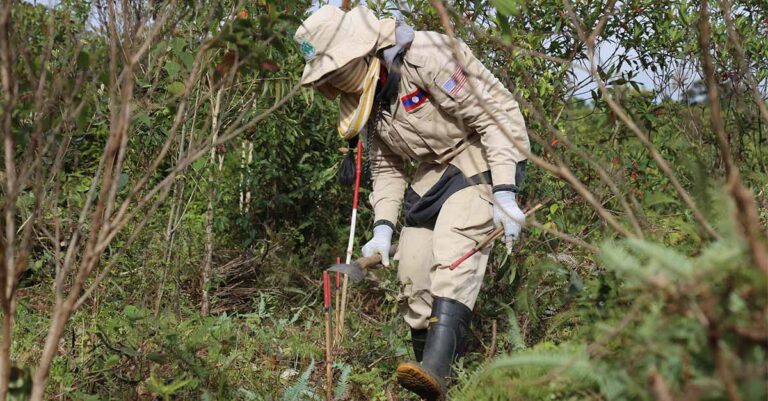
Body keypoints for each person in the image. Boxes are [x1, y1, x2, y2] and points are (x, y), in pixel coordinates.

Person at [295, 5, 530, 400]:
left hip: (483, 151)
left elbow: (493, 118)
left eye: (333, 72)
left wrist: (505, 192)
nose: (333, 84)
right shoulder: (365, 100)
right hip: (432, 169)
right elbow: (386, 169)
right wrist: (383, 230)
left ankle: (436, 371)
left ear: (357, 52)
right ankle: (430, 383)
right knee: (414, 271)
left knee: (454, 246)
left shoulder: (428, 58)